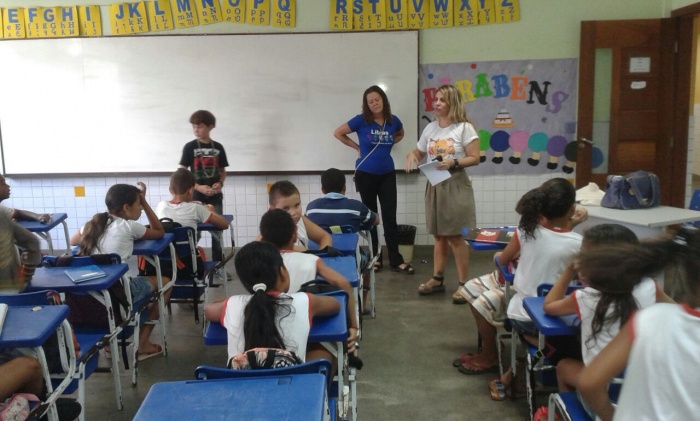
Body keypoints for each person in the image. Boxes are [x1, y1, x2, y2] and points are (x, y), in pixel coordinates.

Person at [455, 178, 584, 381]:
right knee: (474, 289)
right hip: (560, 314)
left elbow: (502, 260)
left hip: (523, 313)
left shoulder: (526, 231)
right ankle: (521, 357)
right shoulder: (580, 243)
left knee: (484, 301)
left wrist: (503, 258)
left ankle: (506, 358)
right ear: (571, 209)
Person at [578, 227, 700, 421]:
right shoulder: (651, 292)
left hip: (579, 359)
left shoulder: (652, 319)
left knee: (559, 362)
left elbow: (589, 383)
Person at [543, 224, 672, 399]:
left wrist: (568, 270)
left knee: (563, 365)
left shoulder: (585, 296)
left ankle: (568, 409)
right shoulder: (649, 285)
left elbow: (549, 306)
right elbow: (675, 309)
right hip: (646, 391)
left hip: (603, 395)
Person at [70, 183, 170, 360]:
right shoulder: (129, 227)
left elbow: (73, 241)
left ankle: (110, 345)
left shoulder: (92, 225)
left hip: (90, 295)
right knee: (166, 282)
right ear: (126, 207)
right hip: (119, 294)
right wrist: (146, 203)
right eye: (138, 204)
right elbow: (159, 231)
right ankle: (143, 343)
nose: (140, 209)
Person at [204, 241, 341, 366]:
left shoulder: (233, 304)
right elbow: (335, 305)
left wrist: (232, 300)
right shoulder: (303, 300)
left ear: (244, 283)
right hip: (292, 383)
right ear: (282, 272)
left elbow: (209, 310)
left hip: (242, 384)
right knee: (325, 351)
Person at [405, 84, 479, 299]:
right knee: (439, 235)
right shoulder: (430, 128)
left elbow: (475, 157)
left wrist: (454, 162)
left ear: (452, 103)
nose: (436, 103)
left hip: (455, 183)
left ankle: (464, 284)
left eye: (442, 100)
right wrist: (412, 156)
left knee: (455, 236)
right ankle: (437, 279)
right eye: (436, 99)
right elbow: (418, 152)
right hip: (435, 183)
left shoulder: (464, 128)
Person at [334, 85, 413, 274]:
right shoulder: (361, 120)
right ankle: (376, 257)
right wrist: (356, 147)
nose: (375, 103)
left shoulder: (393, 121)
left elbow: (400, 133)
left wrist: (391, 141)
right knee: (371, 218)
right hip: (365, 175)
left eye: (377, 99)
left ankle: (396, 259)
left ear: (383, 100)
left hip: (387, 174)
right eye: (370, 102)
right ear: (366, 105)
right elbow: (338, 133)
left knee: (389, 217)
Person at [260, 209, 358, 352]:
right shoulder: (311, 260)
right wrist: (353, 326)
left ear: (263, 238)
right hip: (305, 329)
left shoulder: (260, 263)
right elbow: (342, 283)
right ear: (295, 234)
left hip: (266, 329)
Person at [179, 110, 229, 261]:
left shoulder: (218, 147)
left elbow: (222, 171)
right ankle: (190, 262)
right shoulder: (189, 147)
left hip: (215, 196)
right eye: (194, 127)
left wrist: (220, 183)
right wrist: (197, 187)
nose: (196, 130)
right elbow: (182, 172)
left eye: (199, 127)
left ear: (210, 126)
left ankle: (218, 265)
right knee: (194, 230)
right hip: (195, 195)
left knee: (217, 231)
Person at [156, 168, 230, 232]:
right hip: (189, 245)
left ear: (170, 190)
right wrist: (210, 211)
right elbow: (225, 224)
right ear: (191, 190)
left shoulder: (161, 206)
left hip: (168, 244)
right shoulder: (196, 208)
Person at [267, 181, 332, 251]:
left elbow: (325, 237)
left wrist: (322, 254)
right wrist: (301, 251)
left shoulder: (301, 220)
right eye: (285, 209)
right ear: (272, 210)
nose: (293, 213)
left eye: (296, 205)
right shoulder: (268, 232)